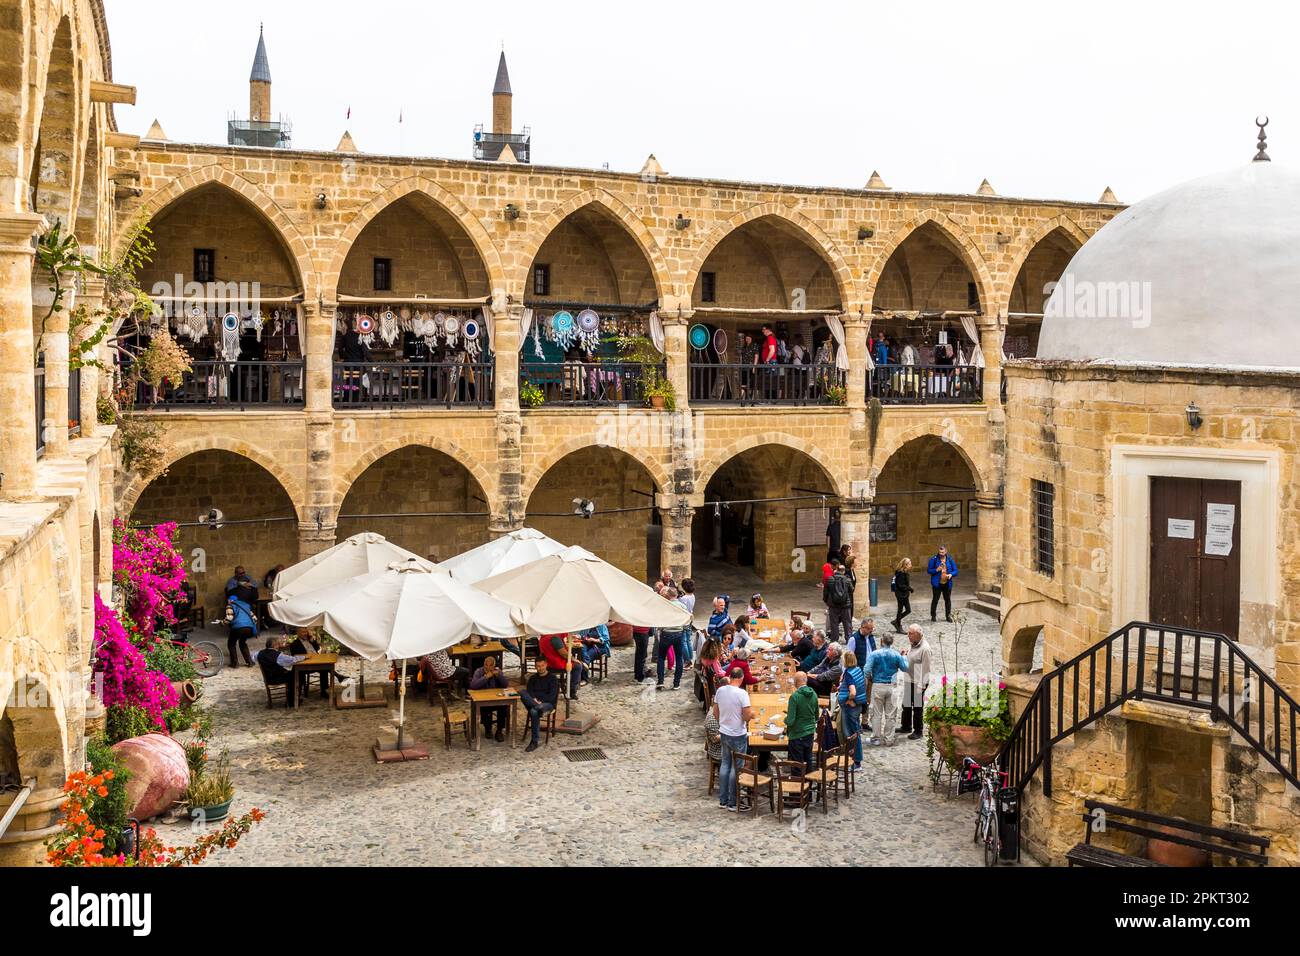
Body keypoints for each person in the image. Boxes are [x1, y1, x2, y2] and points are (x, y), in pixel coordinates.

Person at [713, 667, 754, 811]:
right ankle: (732, 802)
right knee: (736, 767)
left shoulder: (720, 691)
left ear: (730, 677)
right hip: (738, 733)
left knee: (725, 764)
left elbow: (715, 711)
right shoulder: (742, 693)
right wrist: (751, 716)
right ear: (741, 678)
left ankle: (723, 800)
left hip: (724, 731)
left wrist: (721, 723)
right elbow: (747, 715)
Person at [865, 634, 910, 747]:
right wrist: (904, 656)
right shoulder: (896, 655)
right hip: (892, 686)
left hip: (878, 684)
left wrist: (870, 677)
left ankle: (876, 738)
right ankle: (889, 739)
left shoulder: (875, 654)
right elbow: (905, 667)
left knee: (876, 714)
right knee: (891, 715)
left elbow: (866, 670)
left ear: (881, 641)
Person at [899, 624, 933, 740]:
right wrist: (905, 654)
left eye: (911, 633)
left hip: (919, 681)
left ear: (918, 635)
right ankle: (906, 726)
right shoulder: (913, 643)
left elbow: (926, 669)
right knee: (906, 705)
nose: (908, 635)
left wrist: (922, 686)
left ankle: (918, 731)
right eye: (908, 633)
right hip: (910, 679)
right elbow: (912, 656)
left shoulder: (925, 649)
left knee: (917, 707)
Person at [520, 658, 560, 753]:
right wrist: (534, 700)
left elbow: (552, 696)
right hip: (535, 703)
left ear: (546, 665)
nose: (540, 668)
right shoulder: (533, 678)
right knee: (522, 692)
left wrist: (541, 702)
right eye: (538, 666)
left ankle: (534, 742)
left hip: (548, 704)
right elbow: (529, 692)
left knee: (534, 711)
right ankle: (537, 708)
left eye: (542, 665)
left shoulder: (553, 678)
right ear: (535, 666)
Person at [837, 650, 868, 771]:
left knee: (851, 734)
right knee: (854, 733)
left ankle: (856, 762)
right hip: (857, 707)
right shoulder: (858, 669)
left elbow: (853, 691)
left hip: (850, 708)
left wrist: (849, 700)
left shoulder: (849, 673)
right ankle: (853, 759)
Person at [784, 671, 819, 775]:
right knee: (808, 761)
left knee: (797, 765)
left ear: (795, 683)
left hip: (797, 734)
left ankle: (797, 789)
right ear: (806, 681)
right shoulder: (814, 694)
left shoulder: (795, 697)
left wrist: (785, 719)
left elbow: (790, 721)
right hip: (810, 733)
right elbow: (816, 715)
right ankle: (808, 788)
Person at [469, 656, 510, 742]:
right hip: (484, 700)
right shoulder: (479, 671)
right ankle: (488, 729)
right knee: (485, 708)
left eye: (490, 665)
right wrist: (485, 677)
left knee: (503, 706)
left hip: (496, 699)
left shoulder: (497, 671)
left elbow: (505, 685)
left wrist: (499, 676)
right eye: (486, 665)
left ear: (494, 666)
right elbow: (473, 685)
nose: (488, 667)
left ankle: (499, 731)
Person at [255, 635, 303, 705]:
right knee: (297, 674)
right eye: (279, 643)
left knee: (291, 673)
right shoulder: (277, 655)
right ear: (275, 645)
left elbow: (254, 657)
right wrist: (303, 657)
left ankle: (292, 698)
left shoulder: (259, 653)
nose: (280, 645)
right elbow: (292, 660)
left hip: (268, 677)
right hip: (277, 678)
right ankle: (293, 700)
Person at [540, 633, 587, 698]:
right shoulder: (554, 638)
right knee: (578, 666)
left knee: (577, 664)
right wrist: (573, 659)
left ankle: (569, 685)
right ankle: (572, 690)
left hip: (548, 662)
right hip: (555, 663)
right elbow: (564, 654)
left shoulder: (543, 636)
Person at [226, 590, 258, 667]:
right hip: (249, 628)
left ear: (230, 600)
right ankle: (250, 662)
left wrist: (221, 622)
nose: (227, 602)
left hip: (238, 628)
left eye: (228, 600)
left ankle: (235, 663)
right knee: (242, 643)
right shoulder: (245, 605)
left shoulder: (230, 605)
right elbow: (255, 619)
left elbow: (229, 619)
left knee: (231, 643)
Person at [823, 563, 854, 645]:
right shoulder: (847, 579)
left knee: (834, 623)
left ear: (836, 570)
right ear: (843, 571)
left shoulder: (830, 579)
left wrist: (827, 601)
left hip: (833, 605)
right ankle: (848, 639)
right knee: (847, 622)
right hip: (845, 605)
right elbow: (852, 590)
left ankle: (834, 639)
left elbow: (825, 592)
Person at [927, 546, 958, 622]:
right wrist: (936, 569)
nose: (941, 554)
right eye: (940, 552)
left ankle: (948, 616)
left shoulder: (950, 560)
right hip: (937, 584)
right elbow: (929, 570)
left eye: (943, 552)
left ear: (946, 552)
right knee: (935, 600)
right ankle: (933, 616)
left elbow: (955, 570)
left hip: (947, 583)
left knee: (947, 600)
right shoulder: (933, 559)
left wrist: (951, 574)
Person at [893, 557, 914, 632]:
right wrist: (910, 588)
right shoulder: (900, 573)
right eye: (909, 563)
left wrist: (908, 589)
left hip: (905, 594)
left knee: (908, 610)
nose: (911, 564)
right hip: (900, 594)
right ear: (905, 565)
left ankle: (896, 621)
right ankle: (898, 625)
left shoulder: (905, 572)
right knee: (900, 609)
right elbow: (901, 585)